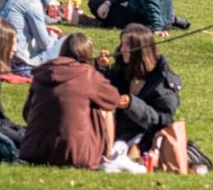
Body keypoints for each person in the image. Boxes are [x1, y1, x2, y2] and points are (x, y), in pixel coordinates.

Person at [19, 32, 134, 171]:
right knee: (103, 107)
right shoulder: (87, 75)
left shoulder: (41, 73)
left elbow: (27, 114)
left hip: (34, 151)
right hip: (76, 154)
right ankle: (108, 155)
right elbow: (113, 99)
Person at [105, 25, 192, 173]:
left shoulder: (161, 81)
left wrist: (133, 104)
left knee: (130, 151)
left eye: (128, 45)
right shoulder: (122, 69)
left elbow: (163, 119)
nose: (122, 49)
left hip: (147, 137)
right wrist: (102, 69)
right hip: (121, 131)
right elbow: (104, 90)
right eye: (122, 44)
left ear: (140, 50)